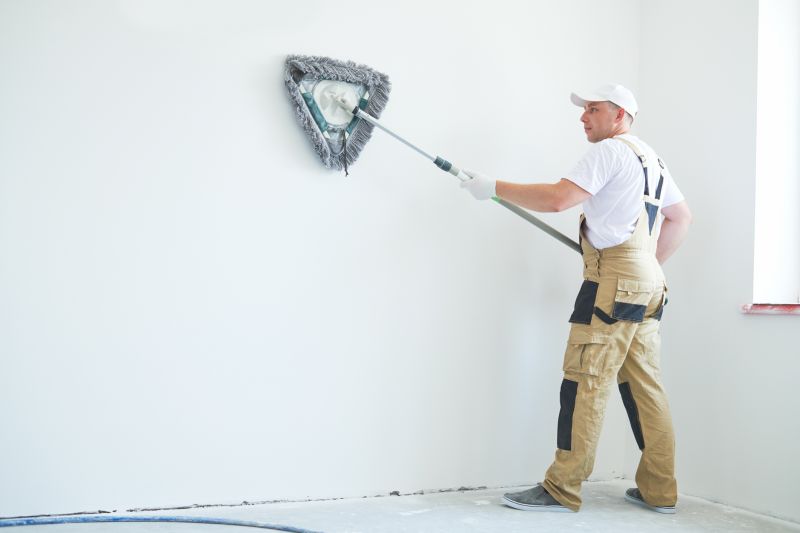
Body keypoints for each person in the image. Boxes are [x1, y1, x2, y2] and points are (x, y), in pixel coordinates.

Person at [460, 84, 692, 514]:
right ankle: (660, 490)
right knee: (645, 385)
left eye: (593, 109)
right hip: (648, 283)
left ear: (619, 115)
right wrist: (644, 264)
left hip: (614, 281)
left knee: (586, 377)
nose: (583, 117)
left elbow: (558, 199)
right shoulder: (652, 159)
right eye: (584, 110)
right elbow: (681, 218)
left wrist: (492, 186)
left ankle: (561, 487)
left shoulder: (608, 152)